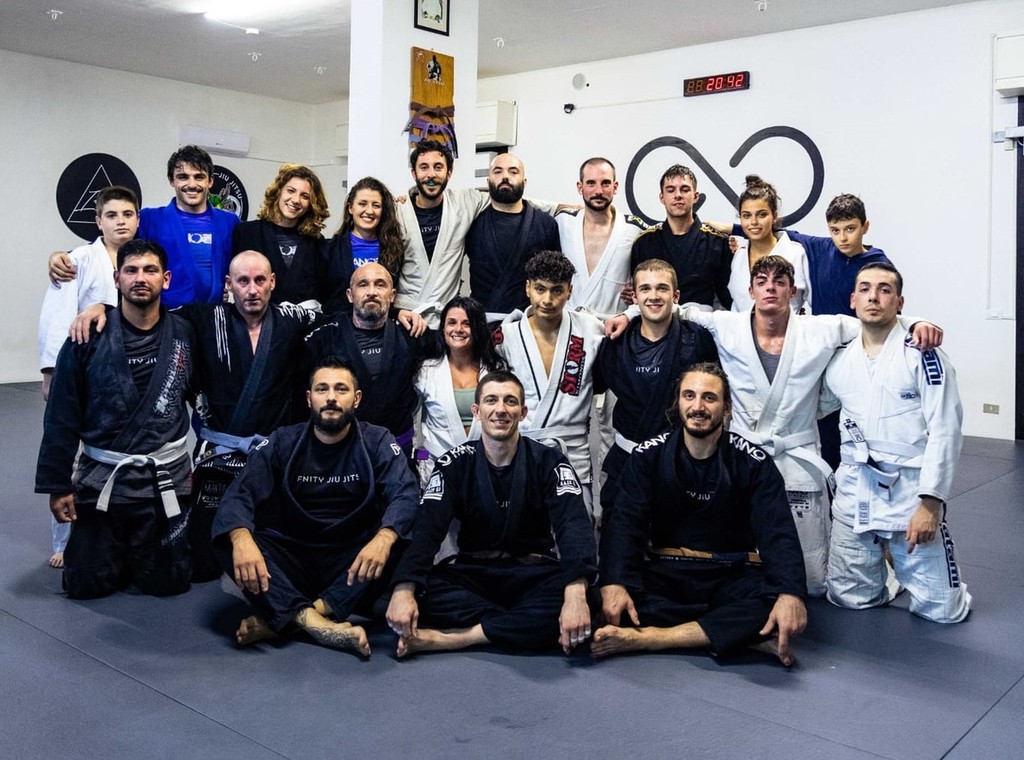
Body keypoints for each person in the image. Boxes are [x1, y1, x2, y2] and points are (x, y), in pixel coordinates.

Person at [605, 255, 943, 596]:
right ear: (750, 290)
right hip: (741, 459)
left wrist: (915, 322)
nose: (771, 289)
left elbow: (874, 320)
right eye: (762, 282)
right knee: (741, 561)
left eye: (780, 282)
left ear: (792, 292)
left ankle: (880, 576)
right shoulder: (727, 325)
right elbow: (673, 308)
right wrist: (628, 314)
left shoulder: (820, 329)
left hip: (796, 458)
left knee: (811, 581)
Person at [593, 363, 808, 666]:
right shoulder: (648, 456)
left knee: (775, 602)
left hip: (730, 575)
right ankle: (736, 636)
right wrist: (614, 582)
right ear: (678, 402)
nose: (698, 407)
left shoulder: (753, 463)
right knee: (596, 598)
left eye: (709, 398)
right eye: (689, 396)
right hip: (667, 574)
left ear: (727, 407)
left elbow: (778, 533)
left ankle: (653, 638)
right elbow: (624, 525)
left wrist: (789, 594)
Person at [212, 357, 420, 656]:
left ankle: (289, 618)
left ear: (356, 399)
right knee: (228, 539)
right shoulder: (283, 440)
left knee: (403, 534)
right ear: (310, 399)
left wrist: (384, 538)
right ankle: (317, 623)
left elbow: (405, 493)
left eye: (341, 389)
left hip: (353, 559)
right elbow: (239, 494)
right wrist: (242, 539)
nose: (331, 397)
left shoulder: (377, 440)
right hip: (294, 556)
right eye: (322, 389)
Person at [385, 371, 596, 656]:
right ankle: (520, 625)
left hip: (532, 573)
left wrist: (575, 594)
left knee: (588, 596)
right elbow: (427, 528)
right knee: (405, 593)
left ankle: (459, 638)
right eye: (491, 401)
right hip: (474, 574)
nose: (501, 409)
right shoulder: (454, 463)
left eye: (510, 401)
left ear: (522, 412)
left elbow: (573, 525)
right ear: (477, 411)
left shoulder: (548, 460)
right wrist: (404, 588)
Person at [35, 239, 196, 599]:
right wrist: (57, 485)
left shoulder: (186, 333)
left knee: (170, 583)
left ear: (166, 278)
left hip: (163, 485)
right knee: (84, 585)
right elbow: (61, 416)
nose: (141, 278)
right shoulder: (85, 336)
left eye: (150, 270)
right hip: (102, 483)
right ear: (116, 278)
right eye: (131, 270)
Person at [820, 263, 971, 623]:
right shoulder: (839, 358)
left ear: (900, 302)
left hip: (909, 492)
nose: (874, 297)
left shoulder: (923, 354)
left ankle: (905, 568)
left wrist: (930, 505)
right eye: (865, 289)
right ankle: (890, 575)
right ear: (852, 300)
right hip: (855, 489)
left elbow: (946, 429)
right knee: (848, 599)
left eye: (884, 290)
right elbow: (814, 405)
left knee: (944, 612)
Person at [37, 185, 139, 568]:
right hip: (81, 369)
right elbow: (56, 316)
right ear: (98, 221)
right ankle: (64, 541)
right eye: (111, 215)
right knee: (72, 454)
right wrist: (51, 372)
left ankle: (119, 528)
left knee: (114, 451)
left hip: (127, 372)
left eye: (127, 214)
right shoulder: (78, 259)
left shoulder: (139, 259)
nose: (120, 222)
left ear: (138, 219)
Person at [593, 259, 718, 516]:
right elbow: (587, 388)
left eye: (662, 288)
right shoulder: (614, 343)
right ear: (634, 298)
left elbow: (715, 397)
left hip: (681, 462)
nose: (654, 296)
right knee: (618, 534)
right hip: (626, 459)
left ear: (676, 296)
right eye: (645, 289)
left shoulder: (696, 340)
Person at [49, 146, 240, 309]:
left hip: (214, 315)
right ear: (171, 180)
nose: (191, 184)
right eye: (183, 177)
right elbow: (109, 246)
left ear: (210, 181)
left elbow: (245, 265)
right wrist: (65, 258)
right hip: (167, 318)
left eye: (199, 177)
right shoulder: (150, 219)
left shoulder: (229, 222)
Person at [494, 251, 605, 517]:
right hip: (521, 450)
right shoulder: (506, 337)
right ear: (528, 288)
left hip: (573, 452)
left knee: (578, 531)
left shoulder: (591, 329)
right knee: (522, 535)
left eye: (557, 290)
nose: (547, 300)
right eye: (540, 289)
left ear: (569, 291)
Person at [304, 263, 434, 460]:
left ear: (392, 295)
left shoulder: (411, 333)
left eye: (380, 284)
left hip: (398, 450)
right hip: (341, 452)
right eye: (363, 284)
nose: (372, 292)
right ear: (350, 295)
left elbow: (457, 341)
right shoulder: (325, 336)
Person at [394, 140, 489, 325]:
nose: (431, 174)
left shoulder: (464, 203)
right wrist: (394, 312)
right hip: (406, 316)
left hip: (445, 319)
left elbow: (509, 198)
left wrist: (550, 208)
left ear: (449, 173)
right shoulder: (398, 211)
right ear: (414, 173)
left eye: (438, 167)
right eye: (424, 167)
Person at [416, 296, 507, 473]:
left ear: (478, 328)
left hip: (488, 464)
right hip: (438, 464)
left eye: (467, 324)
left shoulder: (495, 369)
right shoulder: (426, 371)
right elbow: (412, 422)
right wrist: (420, 456)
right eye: (452, 322)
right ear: (443, 328)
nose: (458, 329)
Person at [465, 153, 560, 319]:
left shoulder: (545, 224)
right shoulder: (472, 222)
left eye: (513, 172)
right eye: (497, 171)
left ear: (524, 182)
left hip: (529, 322)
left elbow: (555, 278)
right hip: (481, 320)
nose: (505, 177)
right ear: (488, 181)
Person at [629, 164, 732, 310]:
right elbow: (637, 292)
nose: (678, 195)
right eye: (671, 190)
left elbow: (727, 297)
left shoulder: (717, 243)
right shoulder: (644, 243)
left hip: (702, 320)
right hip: (655, 320)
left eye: (685, 189)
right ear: (662, 197)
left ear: (695, 196)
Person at [557, 157, 646, 318]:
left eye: (605, 183)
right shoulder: (563, 222)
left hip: (614, 323)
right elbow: (524, 205)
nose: (598, 191)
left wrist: (640, 288)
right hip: (569, 322)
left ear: (615, 187)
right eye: (591, 183)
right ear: (580, 187)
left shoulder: (634, 229)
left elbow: (653, 272)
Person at [231, 164, 330, 306]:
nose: (296, 200)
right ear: (278, 192)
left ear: (311, 204)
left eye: (305, 196)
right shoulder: (247, 233)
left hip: (303, 319)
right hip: (257, 317)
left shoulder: (317, 243)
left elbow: (323, 292)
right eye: (291, 191)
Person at [726, 175, 810, 313]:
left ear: (774, 216)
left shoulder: (795, 253)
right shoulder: (739, 255)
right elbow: (736, 307)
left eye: (761, 215)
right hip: (743, 327)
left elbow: (815, 302)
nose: (753, 222)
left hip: (788, 326)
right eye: (747, 215)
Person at [321, 176, 406, 313]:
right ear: (350, 208)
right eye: (362, 204)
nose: (369, 211)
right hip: (338, 323)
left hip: (381, 323)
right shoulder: (330, 249)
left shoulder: (395, 249)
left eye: (376, 205)